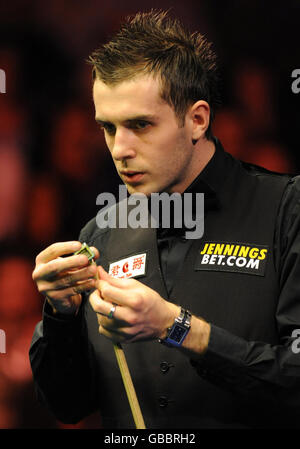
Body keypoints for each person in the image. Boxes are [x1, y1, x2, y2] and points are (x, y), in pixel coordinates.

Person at [29, 10, 300, 429]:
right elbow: (68, 405)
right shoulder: (102, 233)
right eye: (108, 127)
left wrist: (179, 329)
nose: (120, 149)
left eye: (140, 125)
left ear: (197, 120)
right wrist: (59, 315)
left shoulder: (287, 209)